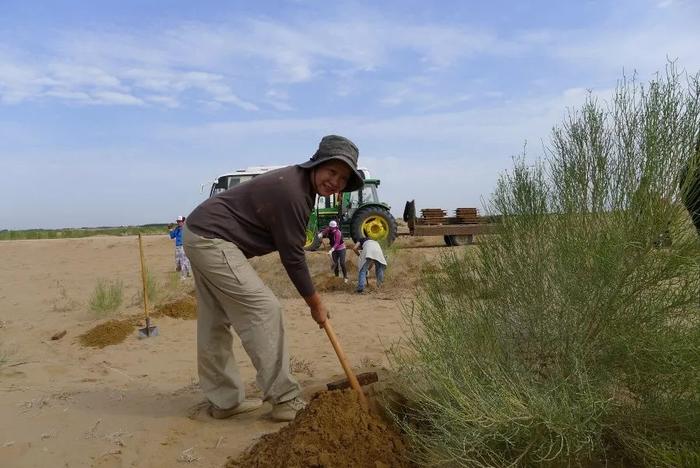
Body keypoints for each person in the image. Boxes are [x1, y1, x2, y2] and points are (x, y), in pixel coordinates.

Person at [183, 135, 364, 422]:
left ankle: (224, 401)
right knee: (264, 310)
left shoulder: (300, 187)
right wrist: (315, 303)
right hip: (211, 238)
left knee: (215, 320)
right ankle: (284, 399)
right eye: (332, 171)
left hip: (201, 233)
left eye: (343, 179)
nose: (335, 182)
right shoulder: (292, 191)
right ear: (317, 164)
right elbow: (292, 256)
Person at [168, 216, 191, 280]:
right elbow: (172, 236)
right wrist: (170, 229)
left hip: (183, 246)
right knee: (178, 261)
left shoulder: (186, 229)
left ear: (183, 222)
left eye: (180, 221)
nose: (178, 222)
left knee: (183, 261)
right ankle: (188, 272)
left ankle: (183, 276)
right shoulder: (176, 229)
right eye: (178, 221)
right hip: (177, 247)